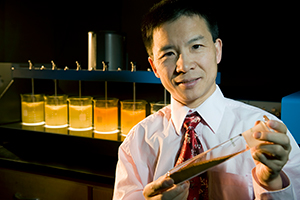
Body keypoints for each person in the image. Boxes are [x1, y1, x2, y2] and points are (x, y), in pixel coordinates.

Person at [113, 0, 300, 199]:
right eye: (168, 53)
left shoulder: (266, 133)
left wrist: (271, 182)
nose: (183, 65)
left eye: (196, 46)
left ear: (217, 50)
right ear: (154, 67)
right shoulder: (138, 142)